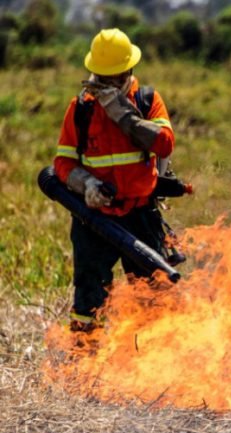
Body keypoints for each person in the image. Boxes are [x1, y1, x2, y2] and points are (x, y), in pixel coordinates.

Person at [53, 28, 175, 332]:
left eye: (115, 79)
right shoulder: (80, 109)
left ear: (129, 71)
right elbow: (63, 163)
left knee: (152, 293)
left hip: (140, 213)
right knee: (89, 295)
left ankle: (155, 362)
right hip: (94, 218)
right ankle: (82, 363)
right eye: (102, 79)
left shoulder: (147, 100)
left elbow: (164, 144)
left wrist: (122, 113)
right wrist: (87, 185)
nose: (108, 86)